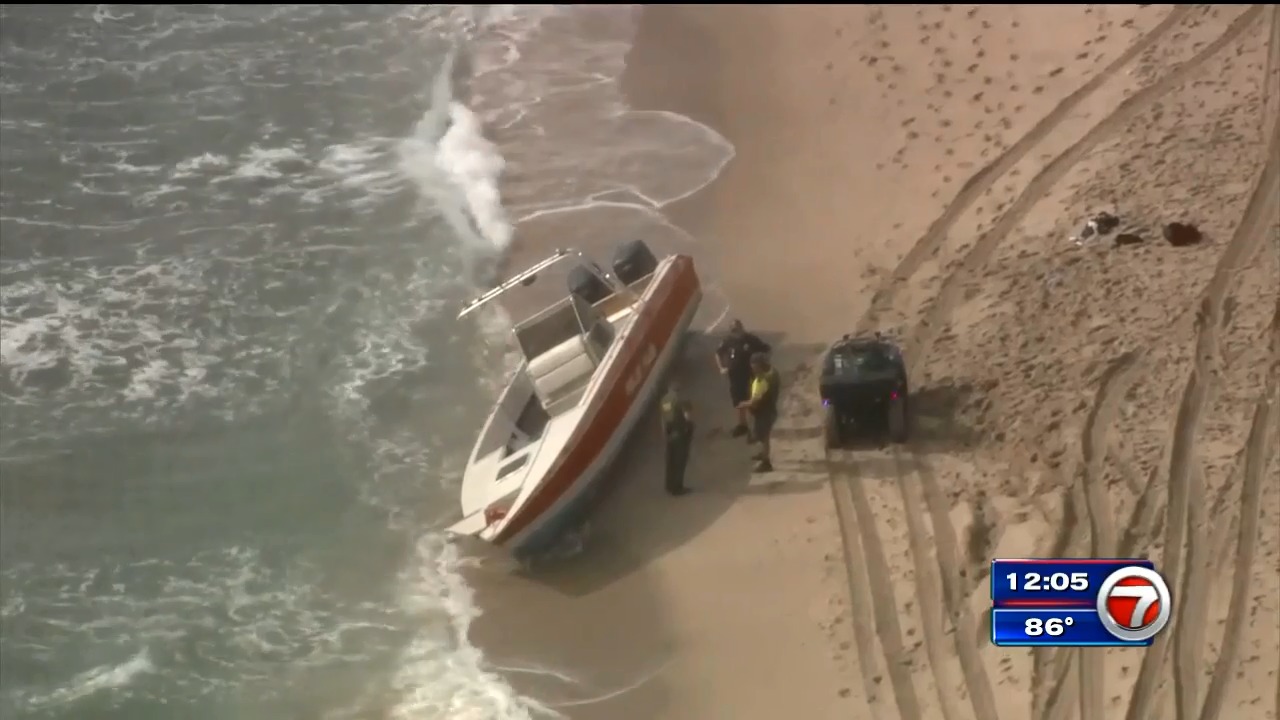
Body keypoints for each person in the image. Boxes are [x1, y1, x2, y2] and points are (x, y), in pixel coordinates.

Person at [715, 320, 771, 438]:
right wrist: (721, 368)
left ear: (741, 328)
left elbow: (766, 350)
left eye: (736, 329)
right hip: (735, 376)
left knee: (753, 400)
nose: (735, 332)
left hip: (751, 375)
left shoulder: (751, 340)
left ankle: (757, 426)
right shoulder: (728, 341)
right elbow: (718, 353)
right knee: (738, 401)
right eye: (732, 330)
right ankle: (743, 425)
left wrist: (764, 367)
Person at [738, 352, 780, 473]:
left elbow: (754, 402)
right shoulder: (774, 372)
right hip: (770, 409)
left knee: (764, 436)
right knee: (763, 435)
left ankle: (766, 462)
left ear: (759, 366)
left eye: (754, 366)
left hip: (763, 412)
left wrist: (743, 404)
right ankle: (763, 454)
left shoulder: (761, 382)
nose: (752, 369)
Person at [659, 380, 695, 496]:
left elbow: (663, 419)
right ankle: (678, 488)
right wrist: (690, 428)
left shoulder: (664, 401)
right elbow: (687, 416)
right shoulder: (680, 400)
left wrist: (664, 435)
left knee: (670, 461)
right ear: (677, 389)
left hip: (669, 434)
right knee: (680, 461)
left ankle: (669, 485)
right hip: (680, 433)